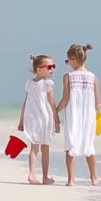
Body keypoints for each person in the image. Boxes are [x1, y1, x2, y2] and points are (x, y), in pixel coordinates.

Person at [56, 44, 101, 186]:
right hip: (88, 117)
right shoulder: (93, 77)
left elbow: (65, 99)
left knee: (71, 146)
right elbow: (98, 103)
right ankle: (94, 177)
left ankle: (71, 180)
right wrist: (100, 116)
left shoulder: (68, 77)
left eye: (68, 60)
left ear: (72, 60)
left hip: (73, 116)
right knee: (89, 146)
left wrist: (55, 111)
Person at [18, 54, 60, 185]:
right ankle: (45, 177)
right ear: (39, 69)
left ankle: (32, 174)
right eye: (49, 67)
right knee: (45, 149)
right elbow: (52, 103)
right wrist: (56, 120)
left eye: (53, 66)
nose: (52, 69)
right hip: (45, 119)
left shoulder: (29, 83)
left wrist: (21, 121)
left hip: (32, 119)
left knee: (34, 148)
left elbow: (25, 103)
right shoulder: (48, 83)